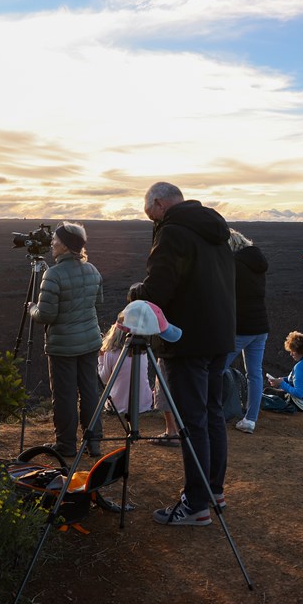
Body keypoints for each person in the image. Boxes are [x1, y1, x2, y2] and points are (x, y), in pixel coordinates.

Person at [127, 182, 235, 526]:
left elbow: (158, 288)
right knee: (213, 414)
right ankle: (213, 490)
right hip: (219, 337)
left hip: (186, 342)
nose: (152, 223)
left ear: (158, 204)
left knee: (193, 421)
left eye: (150, 216)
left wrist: (135, 293)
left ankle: (196, 504)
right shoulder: (215, 231)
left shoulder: (173, 233)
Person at [29, 223, 103, 458]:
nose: (52, 244)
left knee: (65, 395)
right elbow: (97, 301)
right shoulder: (92, 270)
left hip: (63, 346)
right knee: (90, 391)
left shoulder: (53, 274)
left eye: (56, 241)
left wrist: (32, 309)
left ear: (66, 245)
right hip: (90, 341)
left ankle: (66, 446)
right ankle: (94, 443)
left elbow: (46, 315)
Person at [224, 229, 269, 434]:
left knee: (214, 370)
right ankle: (250, 419)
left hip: (240, 328)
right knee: (255, 374)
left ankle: (210, 414)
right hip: (260, 326)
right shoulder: (258, 264)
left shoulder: (234, 265)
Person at [98, 309, 153, 418]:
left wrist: (100, 358)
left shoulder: (111, 353)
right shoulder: (143, 352)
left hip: (117, 406)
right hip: (144, 405)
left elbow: (104, 379)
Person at [265, 331, 303, 413]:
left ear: (300, 351)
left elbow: (298, 393)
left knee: (267, 392)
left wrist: (281, 384)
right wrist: (284, 380)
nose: (291, 354)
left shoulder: (299, 367)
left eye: (292, 351)